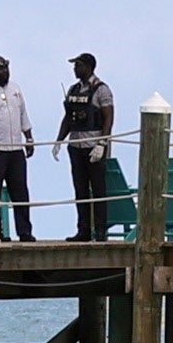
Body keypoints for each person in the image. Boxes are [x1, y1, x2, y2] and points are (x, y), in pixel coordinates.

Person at [0, 55, 37, 242]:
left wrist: (28, 136)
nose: (5, 72)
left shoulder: (15, 89)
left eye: (6, 68)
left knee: (20, 191)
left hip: (16, 147)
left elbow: (23, 113)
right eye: (0, 69)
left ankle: (24, 231)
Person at [56, 52, 116, 240]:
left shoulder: (101, 90)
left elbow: (108, 118)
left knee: (98, 189)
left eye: (78, 65)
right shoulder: (73, 90)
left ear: (89, 67)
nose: (75, 69)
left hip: (93, 145)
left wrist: (102, 143)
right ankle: (83, 230)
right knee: (80, 189)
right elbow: (68, 117)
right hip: (76, 145)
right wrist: (59, 140)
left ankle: (100, 230)